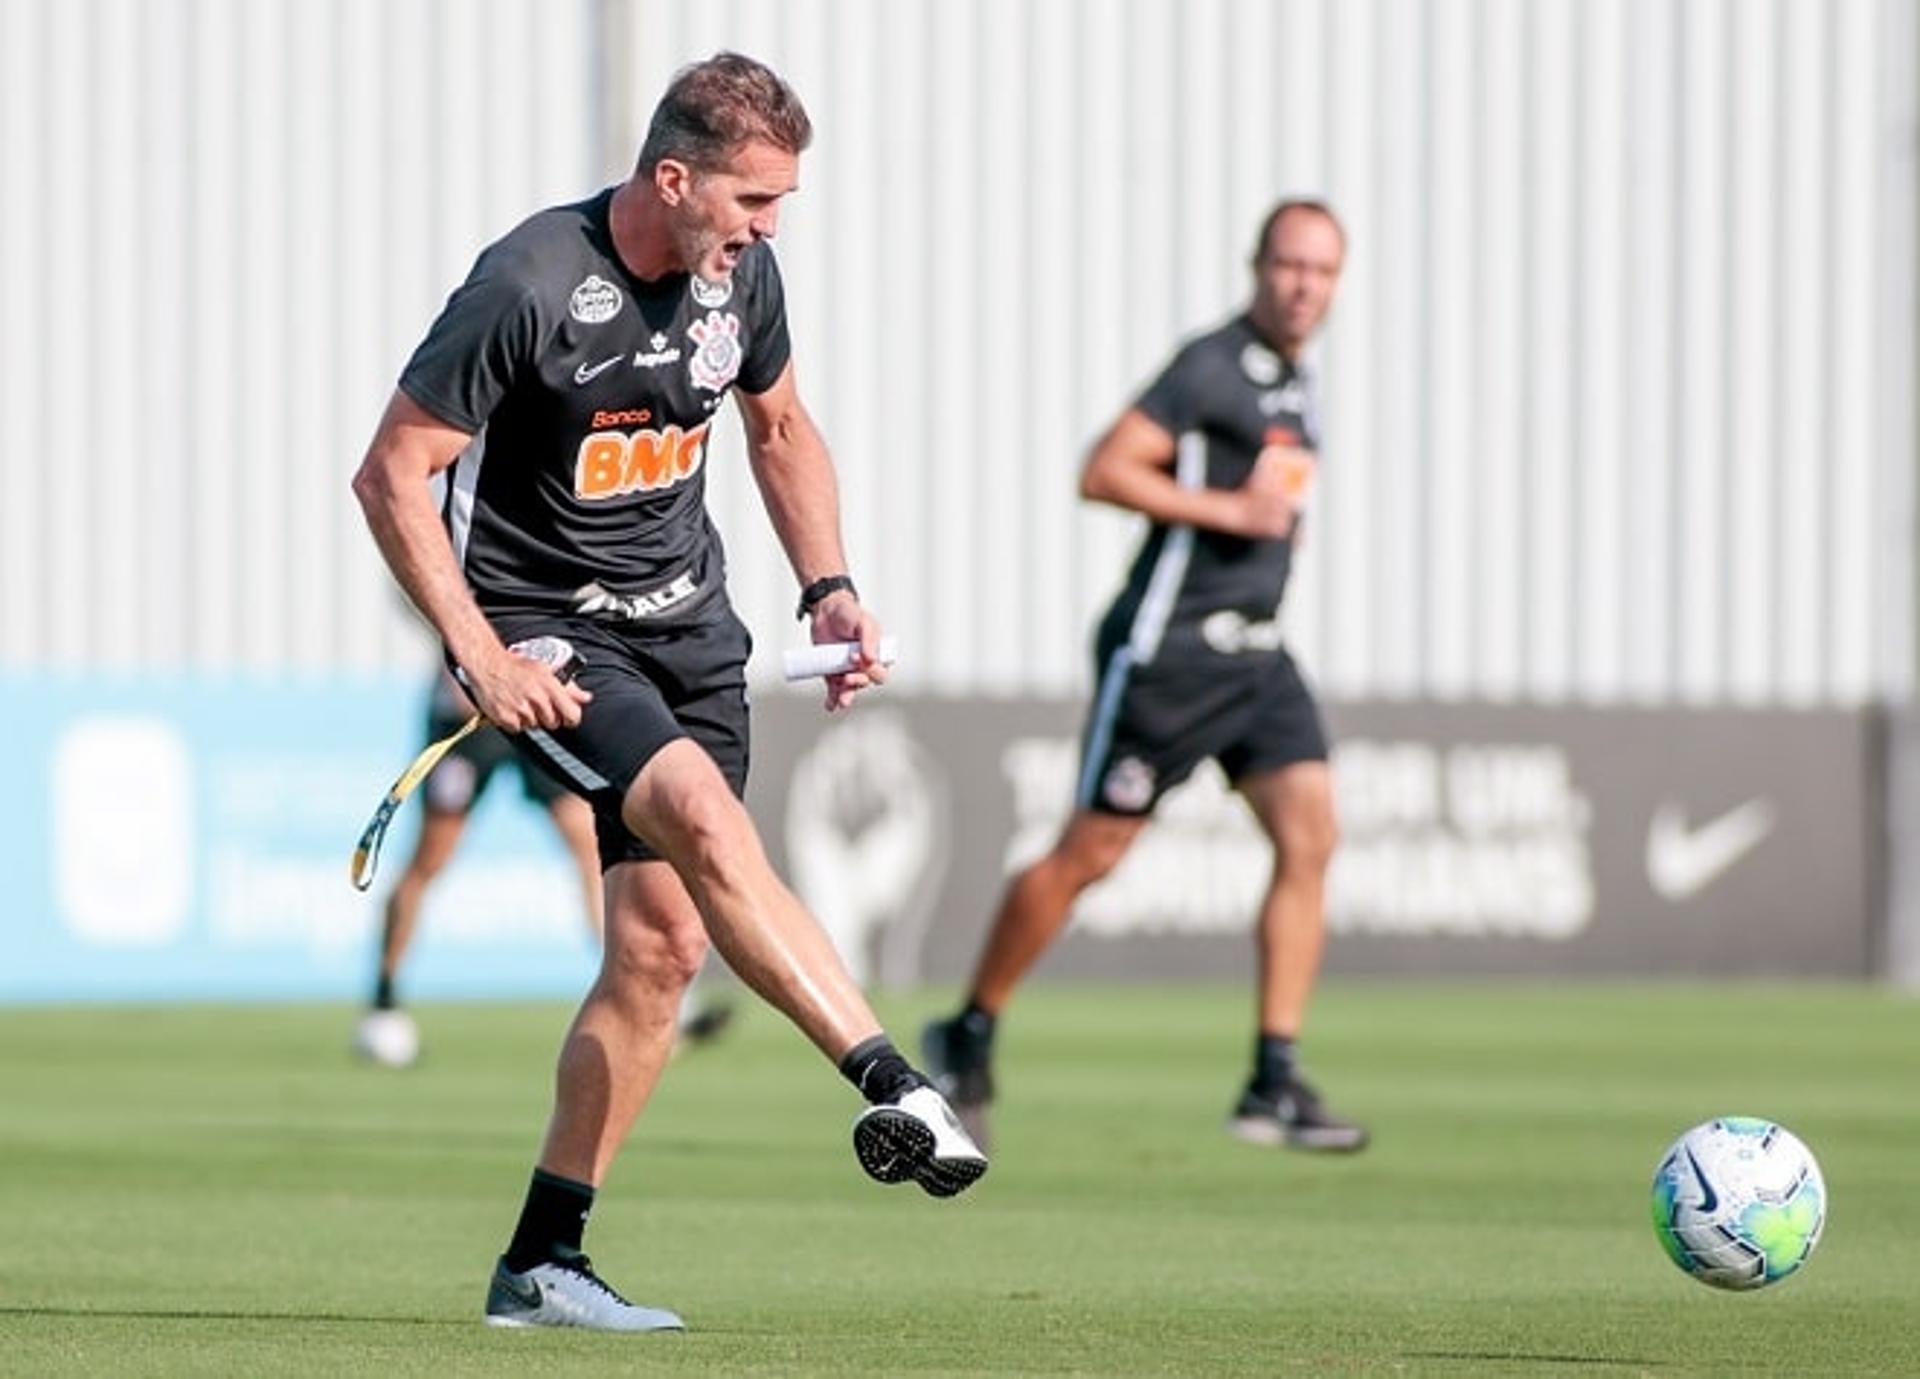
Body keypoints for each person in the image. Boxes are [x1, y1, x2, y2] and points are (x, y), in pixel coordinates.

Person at [350, 52, 985, 1333]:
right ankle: (895, 1082)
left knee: (658, 950)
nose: (769, 228)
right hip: (555, 633)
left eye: (780, 205)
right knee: (702, 816)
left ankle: (542, 1261)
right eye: (754, 201)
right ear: (674, 176)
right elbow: (392, 471)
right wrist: (479, 651)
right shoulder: (529, 282)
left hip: (696, 634)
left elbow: (781, 428)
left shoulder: (738, 278)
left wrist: (831, 590)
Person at [922, 200, 1368, 1155]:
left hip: (1257, 652)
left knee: (1313, 833)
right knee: (1091, 854)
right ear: (1258, 266)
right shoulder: (1212, 365)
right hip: (1173, 649)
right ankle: (967, 1035)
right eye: (1288, 264)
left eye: (1322, 271)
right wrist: (1225, 511)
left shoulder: (1299, 381)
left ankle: (1272, 1078)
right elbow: (1104, 468)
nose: (1303, 284)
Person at [351, 667, 735, 1068]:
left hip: (532, 712)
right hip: (468, 716)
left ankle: (643, 985)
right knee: (429, 860)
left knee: (589, 844)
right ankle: (384, 1002)